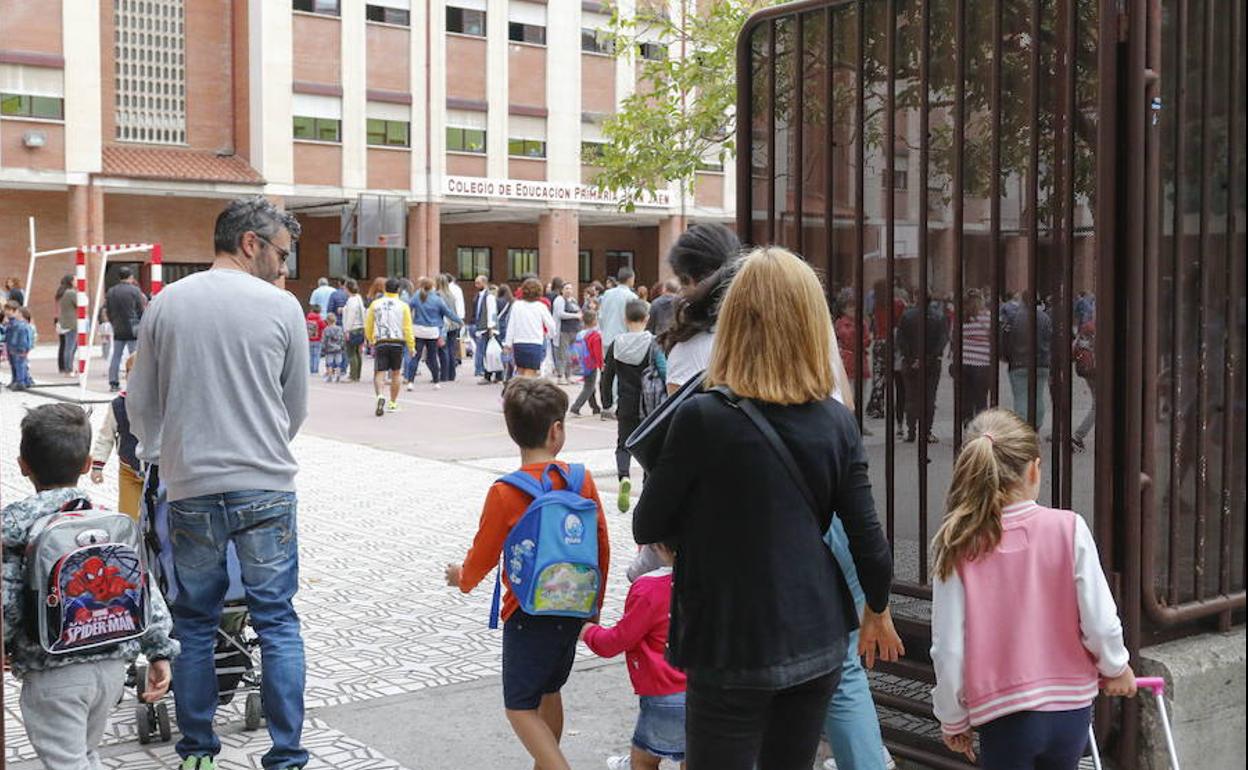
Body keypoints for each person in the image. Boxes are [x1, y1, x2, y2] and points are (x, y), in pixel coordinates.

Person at [631, 247, 899, 770]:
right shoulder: (835, 421)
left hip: (728, 638)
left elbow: (650, 523)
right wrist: (878, 611)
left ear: (733, 321)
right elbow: (870, 543)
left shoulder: (703, 418)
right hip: (815, 634)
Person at [127, 195, 310, 770]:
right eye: (282, 253)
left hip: (191, 489)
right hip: (266, 483)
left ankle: (198, 750)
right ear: (250, 243)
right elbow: (294, 406)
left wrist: (162, 454)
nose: (285, 267)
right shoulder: (282, 308)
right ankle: (285, 755)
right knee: (276, 620)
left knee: (195, 622)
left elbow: (140, 404)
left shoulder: (166, 305)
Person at [930, 408, 1135, 767]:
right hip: (1070, 709)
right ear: (1034, 469)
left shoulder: (958, 545)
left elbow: (948, 648)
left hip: (1003, 713)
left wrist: (952, 716)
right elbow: (1100, 621)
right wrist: (1116, 666)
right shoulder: (1069, 528)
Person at [444, 378, 611, 770]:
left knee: (519, 707)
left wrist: (461, 578)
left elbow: (483, 555)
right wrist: (594, 607)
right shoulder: (580, 479)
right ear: (557, 431)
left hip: (527, 614)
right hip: (573, 607)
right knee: (549, 691)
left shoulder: (504, 492)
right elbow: (601, 544)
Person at [2, 403, 179, 770]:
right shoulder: (110, 523)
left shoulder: (15, 526)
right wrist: (159, 651)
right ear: (86, 465)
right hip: (111, 668)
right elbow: (143, 589)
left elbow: (6, 599)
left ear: (22, 464)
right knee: (85, 756)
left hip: (53, 672)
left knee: (69, 763)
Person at [580, 541, 687, 770]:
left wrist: (588, 632)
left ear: (658, 546)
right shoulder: (712, 583)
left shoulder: (649, 588)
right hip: (703, 691)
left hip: (664, 694)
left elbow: (616, 641)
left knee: (644, 762)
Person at [601, 299, 666, 512]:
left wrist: (607, 402)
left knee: (623, 444)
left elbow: (607, 376)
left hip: (626, 403)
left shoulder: (616, 344)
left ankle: (624, 478)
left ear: (625, 319)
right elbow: (664, 371)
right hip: (649, 405)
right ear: (647, 319)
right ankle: (647, 487)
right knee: (649, 446)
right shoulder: (653, 343)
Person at [662, 223, 740, 396]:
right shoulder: (768, 335)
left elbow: (680, 419)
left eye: (683, 281)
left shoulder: (690, 350)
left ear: (694, 280)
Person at [90, 353, 145, 519]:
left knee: (159, 515)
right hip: (128, 469)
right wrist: (98, 465)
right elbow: (106, 436)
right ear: (126, 375)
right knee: (128, 515)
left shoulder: (162, 402)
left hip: (158, 470)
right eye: (132, 373)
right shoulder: (118, 405)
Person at [898, 298, 949, 443]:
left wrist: (911, 358)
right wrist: (929, 358)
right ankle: (926, 432)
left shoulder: (907, 315)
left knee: (911, 397)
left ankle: (911, 431)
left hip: (910, 363)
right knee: (929, 398)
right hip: (932, 364)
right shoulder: (939, 316)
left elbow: (900, 339)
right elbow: (942, 340)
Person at [1000, 295, 1053, 430]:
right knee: (1038, 396)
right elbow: (1050, 338)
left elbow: (1005, 338)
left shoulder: (1014, 317)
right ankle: (1037, 426)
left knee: (1021, 398)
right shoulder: (1045, 317)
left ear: (1023, 301)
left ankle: (1023, 428)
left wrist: (1006, 356)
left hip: (1019, 363)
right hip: (1041, 363)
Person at [366, 277, 416, 415]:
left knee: (379, 372)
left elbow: (369, 323)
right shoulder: (403, 306)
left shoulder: (375, 304)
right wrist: (411, 346)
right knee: (396, 372)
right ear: (398, 290)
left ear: (384, 288)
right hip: (397, 341)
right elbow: (407, 327)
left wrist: (370, 338)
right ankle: (393, 402)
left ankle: (380, 395)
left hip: (381, 340)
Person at [406, 276, 463, 390]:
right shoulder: (437, 299)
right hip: (432, 331)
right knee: (432, 357)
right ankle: (436, 382)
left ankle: (410, 382)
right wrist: (459, 321)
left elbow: (407, 307)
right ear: (432, 286)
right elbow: (448, 312)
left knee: (415, 357)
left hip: (418, 329)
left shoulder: (417, 296)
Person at [105, 266, 148, 392]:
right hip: (132, 327)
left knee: (116, 356)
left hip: (118, 326)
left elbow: (108, 309)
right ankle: (136, 382)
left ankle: (113, 381)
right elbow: (140, 309)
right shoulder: (135, 291)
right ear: (131, 277)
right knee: (134, 356)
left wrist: (113, 322)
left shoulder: (111, 291)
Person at [503, 278, 557, 378]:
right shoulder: (541, 307)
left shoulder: (517, 305)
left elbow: (511, 326)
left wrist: (508, 344)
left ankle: (518, 392)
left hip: (519, 344)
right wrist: (549, 335)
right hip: (535, 343)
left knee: (520, 372)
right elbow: (552, 326)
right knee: (531, 374)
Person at [957, 289, 994, 429]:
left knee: (966, 396)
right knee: (981, 397)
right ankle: (981, 424)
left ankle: (967, 421)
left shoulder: (962, 318)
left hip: (965, 362)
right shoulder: (988, 317)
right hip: (983, 363)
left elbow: (953, 337)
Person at [569, 309, 603, 417]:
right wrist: (601, 364)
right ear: (594, 321)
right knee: (589, 387)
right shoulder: (595, 335)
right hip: (590, 364)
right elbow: (597, 352)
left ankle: (595, 407)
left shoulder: (580, 334)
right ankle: (575, 407)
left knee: (590, 386)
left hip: (581, 363)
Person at [598, 267, 638, 354]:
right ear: (630, 279)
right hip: (624, 340)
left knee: (607, 366)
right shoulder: (632, 297)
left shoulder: (607, 294)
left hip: (607, 337)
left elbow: (600, 316)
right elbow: (634, 320)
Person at [552, 282, 583, 385]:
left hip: (573, 331)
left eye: (570, 288)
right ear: (562, 290)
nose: (569, 290)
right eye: (566, 288)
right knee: (562, 354)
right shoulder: (559, 300)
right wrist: (575, 316)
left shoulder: (573, 301)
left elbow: (579, 312)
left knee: (570, 354)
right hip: (563, 331)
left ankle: (569, 376)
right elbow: (560, 314)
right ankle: (560, 376)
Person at [471, 275, 499, 383]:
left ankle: (491, 374)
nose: (476, 285)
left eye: (478, 283)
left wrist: (491, 327)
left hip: (487, 328)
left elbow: (491, 312)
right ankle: (488, 373)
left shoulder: (489, 296)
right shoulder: (478, 296)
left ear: (484, 283)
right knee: (486, 351)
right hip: (479, 326)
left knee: (490, 352)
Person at [438, 273, 465, 382]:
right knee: (451, 349)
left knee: (443, 350)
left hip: (444, 324)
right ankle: (451, 374)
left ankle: (444, 375)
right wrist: (459, 320)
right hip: (454, 324)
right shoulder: (451, 294)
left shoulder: (438, 295)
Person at [4, 301, 34, 390]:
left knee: (20, 365)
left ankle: (21, 382)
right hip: (12, 347)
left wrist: (26, 348)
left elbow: (25, 338)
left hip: (18, 348)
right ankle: (18, 380)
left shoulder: (20, 325)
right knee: (14, 365)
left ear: (16, 312)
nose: (7, 312)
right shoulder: (11, 323)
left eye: (9, 310)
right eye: (6, 310)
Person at [342, 279, 367, 382]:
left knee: (351, 353)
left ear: (348, 288)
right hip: (360, 328)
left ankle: (353, 375)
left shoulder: (351, 300)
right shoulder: (358, 298)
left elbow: (350, 316)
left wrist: (347, 330)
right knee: (358, 353)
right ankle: (358, 374)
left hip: (352, 328)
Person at [56, 273, 78, 376]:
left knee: (67, 346)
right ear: (71, 282)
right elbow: (80, 304)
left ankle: (67, 367)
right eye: (75, 280)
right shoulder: (71, 293)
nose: (77, 282)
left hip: (64, 321)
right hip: (72, 322)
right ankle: (68, 369)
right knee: (70, 346)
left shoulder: (62, 293)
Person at [322, 313, 346, 382]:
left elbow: (324, 340)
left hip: (329, 349)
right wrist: (342, 346)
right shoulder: (339, 329)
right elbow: (342, 339)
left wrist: (323, 348)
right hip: (338, 349)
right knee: (338, 363)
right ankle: (338, 375)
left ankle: (330, 376)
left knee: (329, 363)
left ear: (327, 321)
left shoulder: (326, 329)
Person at [306, 304, 327, 375]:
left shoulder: (308, 318)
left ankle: (311, 369)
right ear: (319, 311)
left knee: (310, 355)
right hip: (317, 340)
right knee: (316, 355)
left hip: (309, 339)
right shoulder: (319, 320)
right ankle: (315, 370)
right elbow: (324, 327)